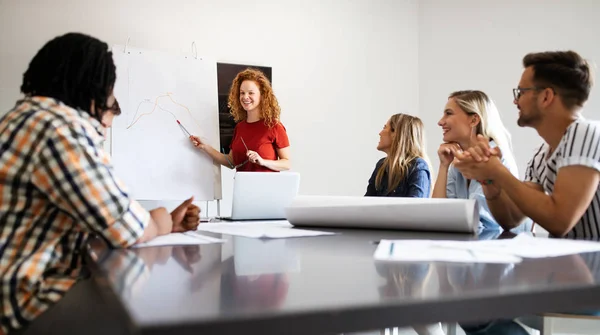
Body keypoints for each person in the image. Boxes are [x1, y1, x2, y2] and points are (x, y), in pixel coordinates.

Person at [0, 32, 201, 335]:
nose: (104, 130)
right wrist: (161, 220)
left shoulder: (23, 118)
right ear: (92, 88)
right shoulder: (60, 127)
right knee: (153, 312)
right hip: (22, 304)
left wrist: (164, 223)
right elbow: (126, 228)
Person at [451, 50, 599, 334]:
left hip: (590, 283)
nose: (515, 100)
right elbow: (512, 218)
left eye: (521, 91)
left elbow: (559, 218)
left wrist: (497, 171)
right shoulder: (542, 153)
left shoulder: (585, 133)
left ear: (546, 97)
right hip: (570, 276)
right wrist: (488, 179)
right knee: (473, 316)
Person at [432, 90, 520, 232]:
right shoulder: (458, 164)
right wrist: (443, 165)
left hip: (494, 245)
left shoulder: (495, 158)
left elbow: (479, 223)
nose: (440, 122)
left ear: (473, 120)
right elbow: (437, 213)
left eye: (448, 113)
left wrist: (444, 219)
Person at [190, 68, 291, 172]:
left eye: (251, 93)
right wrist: (205, 147)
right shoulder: (240, 127)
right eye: (242, 93)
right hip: (242, 187)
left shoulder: (274, 126)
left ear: (262, 95)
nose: (245, 97)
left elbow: (287, 163)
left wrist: (263, 161)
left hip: (267, 187)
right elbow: (231, 162)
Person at [365, 113, 431, 197]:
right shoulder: (381, 165)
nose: (380, 133)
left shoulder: (417, 166)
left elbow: (416, 208)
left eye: (384, 127)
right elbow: (367, 203)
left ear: (395, 133)